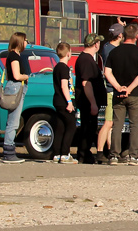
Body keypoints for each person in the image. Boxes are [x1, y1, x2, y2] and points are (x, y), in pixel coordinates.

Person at [104, 23, 138, 165]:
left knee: (117, 124)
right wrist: (129, 89)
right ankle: (133, 156)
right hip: (135, 94)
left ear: (123, 35)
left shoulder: (114, 52)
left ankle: (114, 156)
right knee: (135, 125)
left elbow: (107, 72)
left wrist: (118, 87)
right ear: (137, 36)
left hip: (118, 93)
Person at [74, 34, 105, 164]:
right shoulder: (86, 60)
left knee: (89, 127)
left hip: (89, 101)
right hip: (87, 101)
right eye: (98, 43)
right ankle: (84, 153)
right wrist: (93, 103)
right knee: (88, 128)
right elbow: (86, 83)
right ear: (95, 44)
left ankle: (84, 153)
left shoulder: (86, 59)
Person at [95, 23, 123, 162]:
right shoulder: (113, 51)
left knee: (111, 124)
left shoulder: (106, 47)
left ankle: (111, 151)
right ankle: (100, 152)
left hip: (110, 89)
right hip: (112, 90)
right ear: (120, 36)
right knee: (108, 122)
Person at [0, 33, 30, 163]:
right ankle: (9, 152)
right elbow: (17, 76)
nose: (27, 42)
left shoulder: (15, 56)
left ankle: (9, 150)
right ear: (19, 42)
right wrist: (26, 76)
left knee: (14, 121)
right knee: (13, 122)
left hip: (15, 87)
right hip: (16, 88)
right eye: (25, 40)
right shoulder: (14, 56)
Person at [51, 42, 77, 164]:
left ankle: (57, 153)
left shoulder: (56, 67)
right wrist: (69, 102)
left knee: (60, 127)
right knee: (71, 125)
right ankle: (65, 153)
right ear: (68, 53)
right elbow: (64, 86)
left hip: (57, 100)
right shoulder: (64, 68)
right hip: (64, 101)